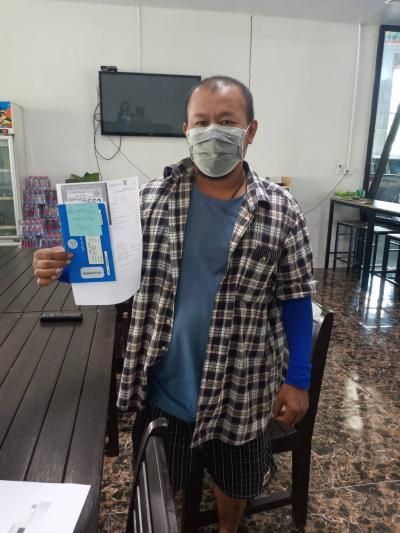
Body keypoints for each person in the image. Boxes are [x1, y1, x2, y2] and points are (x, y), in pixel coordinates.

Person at [33, 76, 317, 533]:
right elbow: (111, 266)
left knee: (236, 481)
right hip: (165, 388)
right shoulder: (149, 202)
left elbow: (296, 297)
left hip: (243, 388)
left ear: (250, 130)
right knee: (158, 486)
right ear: (185, 129)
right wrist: (62, 267)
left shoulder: (281, 210)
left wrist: (297, 378)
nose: (212, 131)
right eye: (201, 122)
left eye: (227, 121)